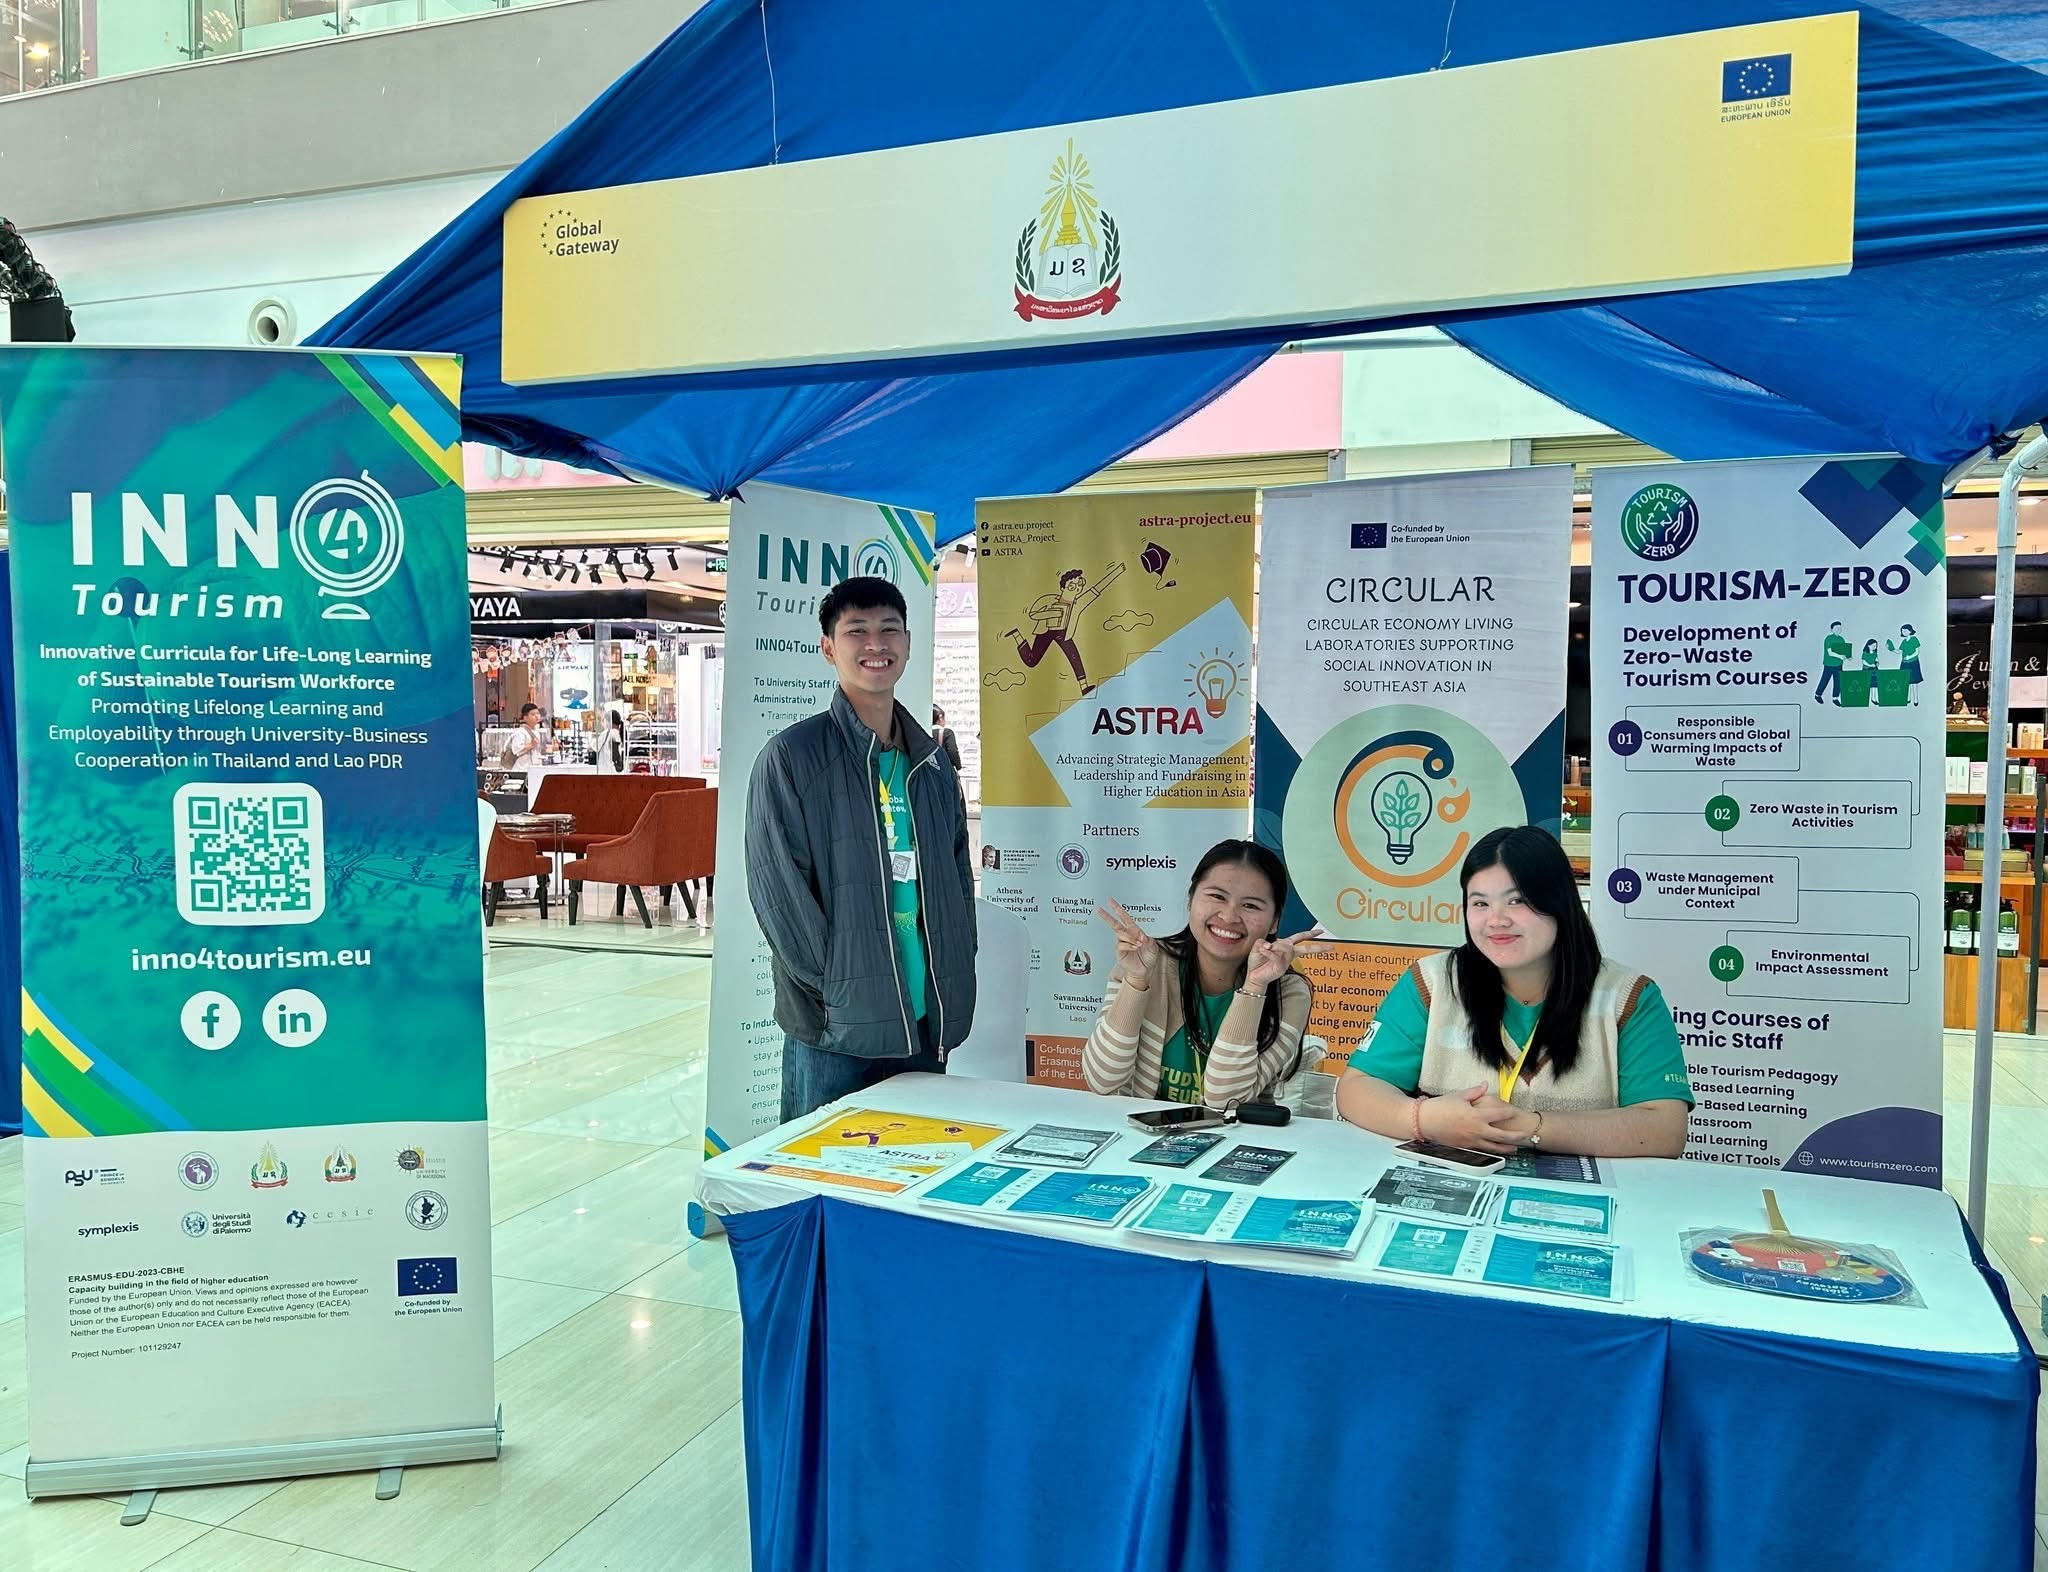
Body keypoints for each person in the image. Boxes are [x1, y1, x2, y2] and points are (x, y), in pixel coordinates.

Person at [748, 576, 977, 1122]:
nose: (876, 644)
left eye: (889, 629)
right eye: (857, 631)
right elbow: (779, 894)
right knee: (819, 1161)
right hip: (837, 1027)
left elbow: (958, 879)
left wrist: (959, 957)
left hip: (924, 1015)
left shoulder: (932, 765)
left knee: (914, 1157)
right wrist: (834, 988)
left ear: (908, 643)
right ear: (829, 648)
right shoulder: (793, 757)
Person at [1336, 826, 1692, 1157]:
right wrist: (1424, 1118)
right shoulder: (1431, 983)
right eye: (1480, 903)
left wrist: (1529, 1128)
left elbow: (1665, 1129)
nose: (1497, 920)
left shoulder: (1629, 997)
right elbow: (1357, 1088)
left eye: (1517, 901)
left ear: (1560, 903)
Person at [1084, 841, 1324, 1109]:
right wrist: (1136, 981)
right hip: (1138, 1130)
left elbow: (1225, 1099)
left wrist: (1255, 986)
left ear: (1275, 921)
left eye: (1250, 905)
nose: (1229, 916)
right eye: (1217, 897)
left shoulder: (1288, 993)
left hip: (1234, 1133)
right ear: (1191, 900)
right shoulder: (1146, 963)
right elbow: (1102, 1080)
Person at [1815, 622, 1850, 705]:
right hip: (1829, 664)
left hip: (1839, 664)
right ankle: (1818, 695)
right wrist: (1840, 656)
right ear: (1832, 629)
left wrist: (1848, 656)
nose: (1839, 630)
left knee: (1838, 681)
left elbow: (1844, 650)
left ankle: (1835, 698)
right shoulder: (1829, 639)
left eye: (1840, 628)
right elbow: (1830, 652)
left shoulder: (1841, 639)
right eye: (1836, 628)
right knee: (1825, 679)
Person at [1887, 624, 1924, 704]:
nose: (1904, 632)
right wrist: (1891, 648)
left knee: (1914, 681)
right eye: (1902, 631)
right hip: (1904, 663)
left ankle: (1915, 699)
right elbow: (1899, 651)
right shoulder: (1903, 641)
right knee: (1906, 681)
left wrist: (1909, 657)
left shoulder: (1914, 639)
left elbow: (1917, 652)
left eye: (1905, 631)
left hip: (1913, 663)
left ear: (1910, 631)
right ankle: (1908, 698)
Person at [590, 709, 628, 774]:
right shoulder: (622, 734)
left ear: (608, 721)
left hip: (606, 771)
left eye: (603, 720)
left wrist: (593, 737)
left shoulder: (607, 733)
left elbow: (595, 747)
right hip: (618, 771)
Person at [931, 705, 964, 772]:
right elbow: (952, 752)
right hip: (944, 771)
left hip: (928, 773)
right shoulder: (947, 733)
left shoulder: (923, 733)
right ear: (940, 717)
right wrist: (958, 767)